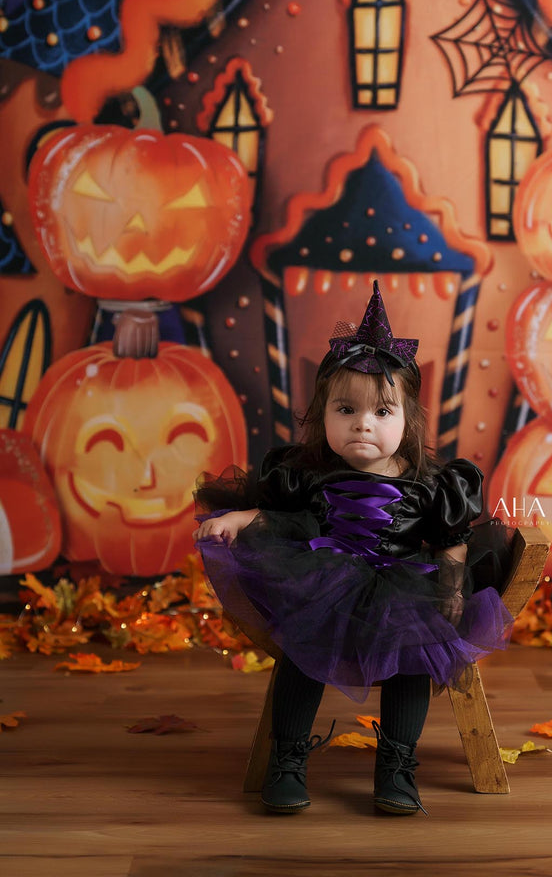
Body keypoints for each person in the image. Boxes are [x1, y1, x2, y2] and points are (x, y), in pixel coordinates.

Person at [193, 281, 513, 816]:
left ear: (408, 421)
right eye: (346, 409)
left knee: (413, 655)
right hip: (326, 574)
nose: (363, 423)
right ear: (324, 416)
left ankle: (396, 765)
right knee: (302, 647)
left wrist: (452, 583)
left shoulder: (433, 483)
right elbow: (289, 520)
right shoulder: (311, 476)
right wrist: (244, 516)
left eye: (382, 413)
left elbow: (452, 537)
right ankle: (288, 758)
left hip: (403, 580)